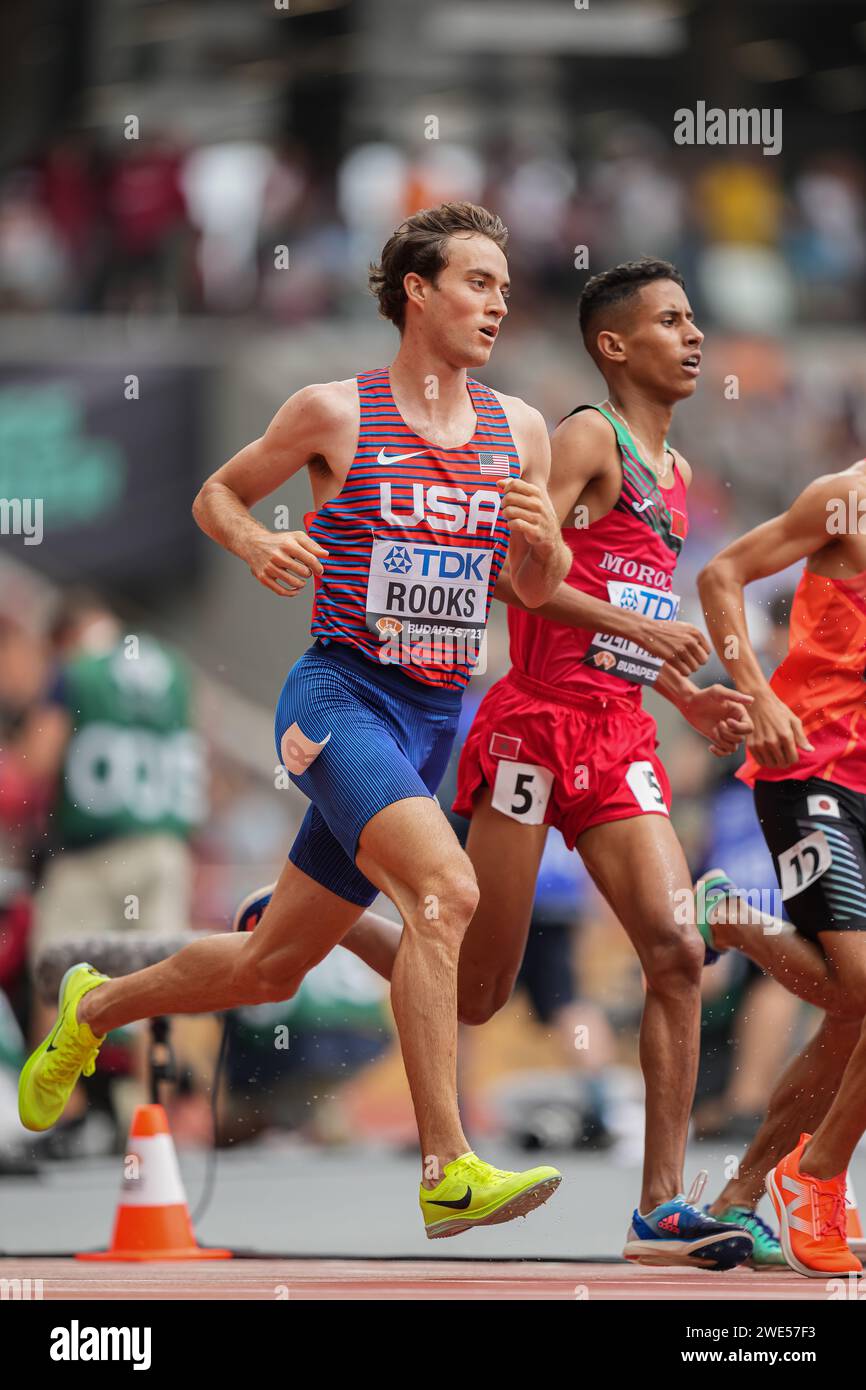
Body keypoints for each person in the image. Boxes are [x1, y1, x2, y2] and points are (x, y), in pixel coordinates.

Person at [19, 201, 574, 1240]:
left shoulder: (522, 431)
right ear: (417, 292)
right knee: (444, 893)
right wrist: (259, 546)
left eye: (503, 286)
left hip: (434, 717)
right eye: (476, 282)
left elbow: (531, 590)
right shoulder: (335, 411)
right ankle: (446, 1164)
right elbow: (215, 496)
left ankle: (91, 1006)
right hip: (338, 698)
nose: (497, 303)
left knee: (269, 965)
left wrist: (542, 545)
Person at [249, 258, 758, 1268]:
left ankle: (658, 1206)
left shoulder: (680, 476)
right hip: (529, 726)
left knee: (671, 949)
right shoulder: (580, 437)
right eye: (669, 321)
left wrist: (681, 690)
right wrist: (630, 625)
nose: (694, 336)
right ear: (613, 345)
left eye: (695, 319)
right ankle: (345, 917)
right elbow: (514, 583)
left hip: (616, 733)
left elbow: (636, 620)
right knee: (479, 991)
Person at [694, 458, 866, 1276]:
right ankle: (817, 1174)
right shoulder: (844, 499)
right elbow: (722, 572)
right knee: (862, 990)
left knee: (850, 1012)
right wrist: (756, 691)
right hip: (813, 772)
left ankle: (742, 1193)